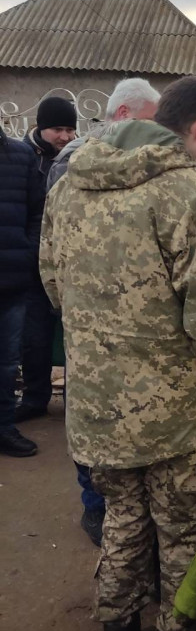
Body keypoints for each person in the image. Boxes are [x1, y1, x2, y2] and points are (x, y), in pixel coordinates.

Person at [40, 75, 196, 631]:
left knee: (122, 518)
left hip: (96, 408)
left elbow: (54, 283)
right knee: (183, 533)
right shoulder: (193, 194)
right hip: (175, 417)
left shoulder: (70, 183)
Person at [43, 79, 163, 547]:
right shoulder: (70, 165)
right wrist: (81, 311)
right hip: (91, 329)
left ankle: (122, 510)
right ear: (124, 116)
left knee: (121, 421)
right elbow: (51, 255)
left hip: (124, 328)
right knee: (91, 419)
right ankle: (94, 507)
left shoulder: (136, 164)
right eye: (151, 122)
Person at [15, 96, 77, 424]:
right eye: (58, 129)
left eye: (70, 129)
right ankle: (35, 398)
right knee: (34, 338)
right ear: (41, 127)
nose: (65, 136)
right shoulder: (24, 157)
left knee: (76, 337)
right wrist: (31, 251)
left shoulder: (80, 156)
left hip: (71, 263)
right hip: (34, 263)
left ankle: (74, 403)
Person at [0, 128, 44, 456]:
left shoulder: (21, 155)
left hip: (11, 281)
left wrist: (28, 252)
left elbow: (38, 212)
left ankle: (3, 428)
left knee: (6, 363)